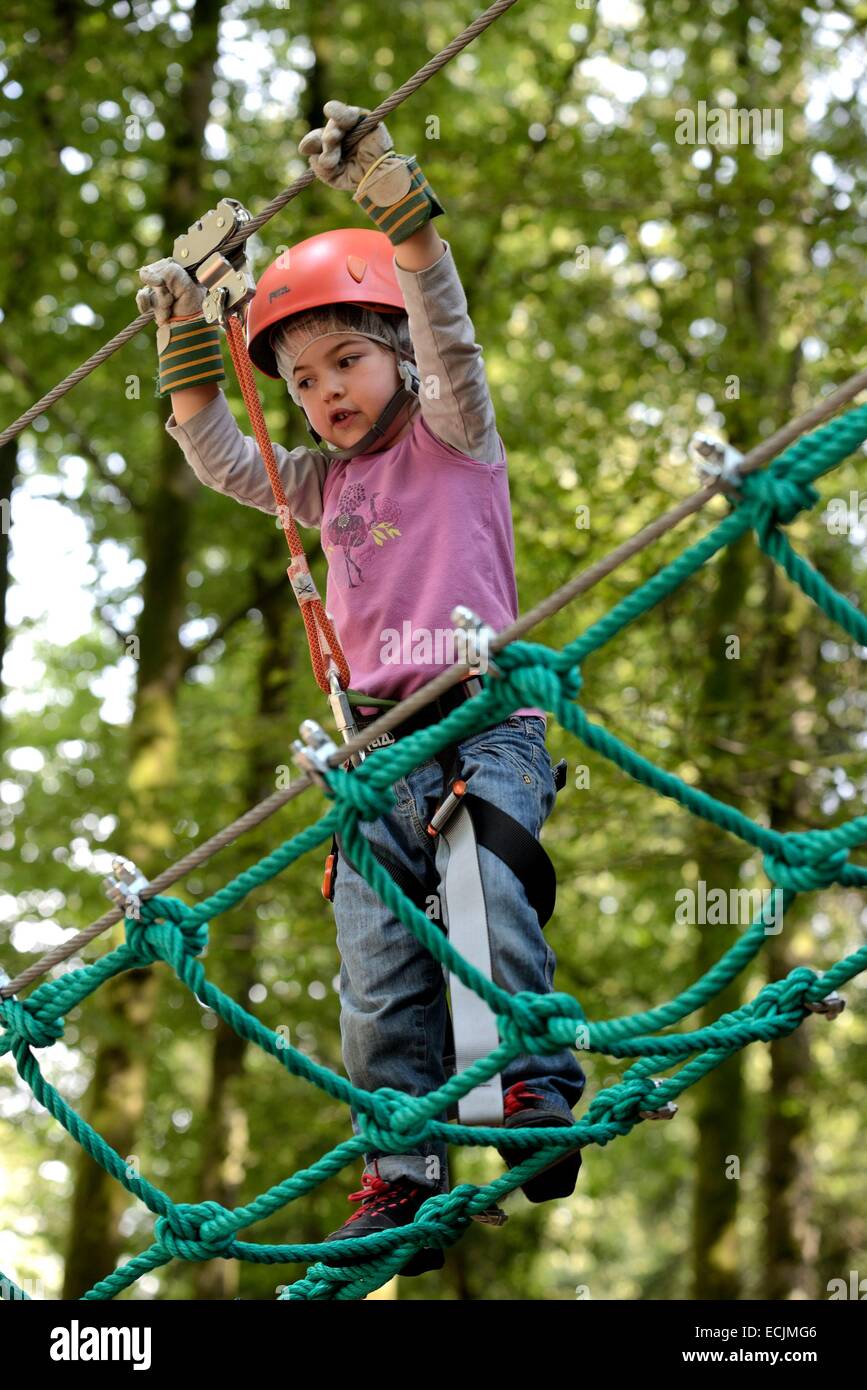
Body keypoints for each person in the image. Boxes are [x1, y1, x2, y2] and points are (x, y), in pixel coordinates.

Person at [137, 101, 586, 1279]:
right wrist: (190, 337)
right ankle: (402, 1165)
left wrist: (398, 210)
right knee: (378, 960)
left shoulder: (452, 434)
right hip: (372, 752)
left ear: (393, 353)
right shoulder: (317, 483)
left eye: (347, 359)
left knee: (484, 891)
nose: (326, 391)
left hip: (483, 722)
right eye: (301, 380)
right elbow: (220, 452)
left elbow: (450, 330)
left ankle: (528, 1088)